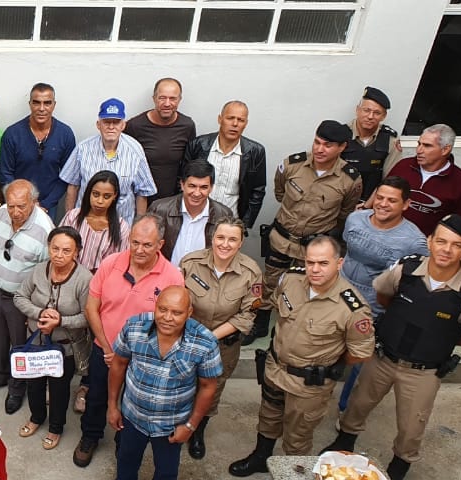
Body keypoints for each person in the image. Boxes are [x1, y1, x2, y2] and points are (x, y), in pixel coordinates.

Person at [322, 215, 461, 480]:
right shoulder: (407, 269)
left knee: (412, 426)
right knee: (359, 403)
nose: (446, 250)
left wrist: (437, 335)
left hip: (423, 371)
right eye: (441, 241)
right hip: (383, 357)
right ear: (430, 242)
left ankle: (398, 466)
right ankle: (345, 441)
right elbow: (384, 296)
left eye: (456, 245)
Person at [229, 236, 374, 480]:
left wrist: (329, 367)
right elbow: (276, 307)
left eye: (323, 263)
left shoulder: (352, 307)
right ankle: (260, 458)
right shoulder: (292, 279)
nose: (315, 269)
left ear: (339, 263)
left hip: (308, 385)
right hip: (275, 370)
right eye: (310, 262)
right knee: (268, 417)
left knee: (297, 435)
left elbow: (360, 352)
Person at [95, 286, 221, 480]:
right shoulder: (135, 327)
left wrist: (191, 425)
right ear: (155, 306)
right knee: (126, 456)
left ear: (189, 313)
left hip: (171, 423)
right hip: (133, 413)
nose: (167, 317)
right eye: (162, 309)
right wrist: (112, 405)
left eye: (176, 312)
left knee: (166, 469)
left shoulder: (204, 342)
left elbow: (209, 386)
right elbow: (118, 363)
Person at [76, 214, 183, 467]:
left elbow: (170, 323)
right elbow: (92, 308)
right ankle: (90, 436)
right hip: (105, 349)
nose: (139, 250)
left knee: (131, 403)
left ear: (160, 245)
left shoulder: (172, 277)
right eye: (135, 242)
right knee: (96, 396)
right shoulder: (111, 263)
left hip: (143, 357)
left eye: (147, 245)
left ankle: (122, 443)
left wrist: (132, 353)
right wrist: (109, 346)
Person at [245, 120, 362, 345]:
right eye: (317, 142)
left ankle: (290, 332)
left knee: (303, 289)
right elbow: (280, 192)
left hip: (313, 249)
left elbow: (345, 213)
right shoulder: (292, 164)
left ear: (342, 147)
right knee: (270, 282)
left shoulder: (350, 179)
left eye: (327, 145)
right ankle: (260, 326)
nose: (319, 149)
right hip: (281, 240)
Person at [335, 176, 429, 410]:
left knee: (360, 364)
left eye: (392, 200)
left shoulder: (414, 241)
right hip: (338, 298)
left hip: (372, 310)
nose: (383, 204)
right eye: (380, 197)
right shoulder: (355, 220)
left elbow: (414, 282)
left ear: (405, 205)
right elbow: (347, 252)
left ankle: (346, 411)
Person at [178, 218, 262, 459]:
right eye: (220, 238)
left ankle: (197, 430)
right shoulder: (190, 263)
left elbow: (248, 315)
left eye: (232, 239)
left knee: (211, 389)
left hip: (222, 346)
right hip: (186, 338)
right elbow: (177, 299)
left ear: (241, 242)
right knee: (180, 383)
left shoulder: (251, 272)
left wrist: (209, 338)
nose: (225, 244)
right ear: (212, 238)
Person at [0, 180, 54, 413]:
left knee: (20, 344)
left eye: (21, 206)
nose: (15, 212)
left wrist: (35, 307)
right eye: (11, 205)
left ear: (34, 202)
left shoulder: (45, 228)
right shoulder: (0, 214)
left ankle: (17, 388)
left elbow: (46, 274)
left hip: (23, 298)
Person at [13, 227, 92, 451]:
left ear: (76, 252)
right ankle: (36, 418)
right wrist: (39, 313)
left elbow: (88, 316)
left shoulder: (84, 278)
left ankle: (56, 427)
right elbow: (20, 296)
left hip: (63, 348)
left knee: (59, 390)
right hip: (36, 344)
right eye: (55, 248)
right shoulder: (39, 270)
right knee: (34, 385)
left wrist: (61, 321)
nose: (59, 254)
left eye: (66, 250)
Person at [60, 170, 132, 414]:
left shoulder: (121, 227)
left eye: (106, 196)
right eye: (95, 194)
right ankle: (57, 382)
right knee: (69, 334)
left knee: (94, 339)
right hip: (71, 285)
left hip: (101, 293)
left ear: (115, 199)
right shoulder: (73, 217)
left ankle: (85, 386)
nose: (99, 201)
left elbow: (122, 265)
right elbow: (60, 247)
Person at [60, 98, 156, 224]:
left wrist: (137, 227)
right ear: (98, 125)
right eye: (106, 122)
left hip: (121, 224)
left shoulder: (135, 150)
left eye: (116, 122)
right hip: (86, 223)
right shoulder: (83, 148)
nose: (111, 127)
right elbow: (72, 187)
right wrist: (70, 221)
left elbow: (142, 192)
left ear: (123, 125)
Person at [180, 100, 266, 228]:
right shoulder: (198, 145)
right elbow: (183, 179)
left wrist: (244, 225)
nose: (235, 124)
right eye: (230, 118)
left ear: (246, 124)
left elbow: (257, 191)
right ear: (220, 119)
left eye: (240, 120)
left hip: (230, 222)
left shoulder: (255, 152)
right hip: (195, 219)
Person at [0, 83, 77, 223]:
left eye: (47, 103)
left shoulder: (65, 134)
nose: (42, 108)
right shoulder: (12, 134)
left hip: (49, 206)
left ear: (54, 104)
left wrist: (46, 205)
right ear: (30, 104)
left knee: (45, 243)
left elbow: (67, 175)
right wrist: (21, 203)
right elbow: (6, 173)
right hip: (18, 205)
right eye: (36, 103)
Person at [388, 124, 461, 235]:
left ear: (445, 150)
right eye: (419, 144)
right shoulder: (403, 166)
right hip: (387, 236)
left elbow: (460, 224)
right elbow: (381, 195)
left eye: (427, 146)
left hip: (424, 246)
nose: (419, 150)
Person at [149, 159, 235, 265]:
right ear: (182, 185)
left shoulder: (223, 215)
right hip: (164, 277)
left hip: (203, 279)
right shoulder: (159, 209)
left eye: (203, 187)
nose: (197, 193)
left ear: (211, 188)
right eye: (192, 186)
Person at [125, 78, 196, 201]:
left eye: (173, 98)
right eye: (162, 98)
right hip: (141, 200)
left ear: (179, 100)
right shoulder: (134, 126)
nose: (167, 103)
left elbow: (189, 165)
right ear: (154, 99)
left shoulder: (187, 126)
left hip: (173, 202)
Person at [342, 87, 403, 202]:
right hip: (339, 198)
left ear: (383, 116)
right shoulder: (341, 134)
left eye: (376, 113)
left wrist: (368, 205)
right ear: (357, 110)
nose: (370, 116)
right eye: (366, 110)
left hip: (370, 202)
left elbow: (391, 179)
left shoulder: (390, 140)